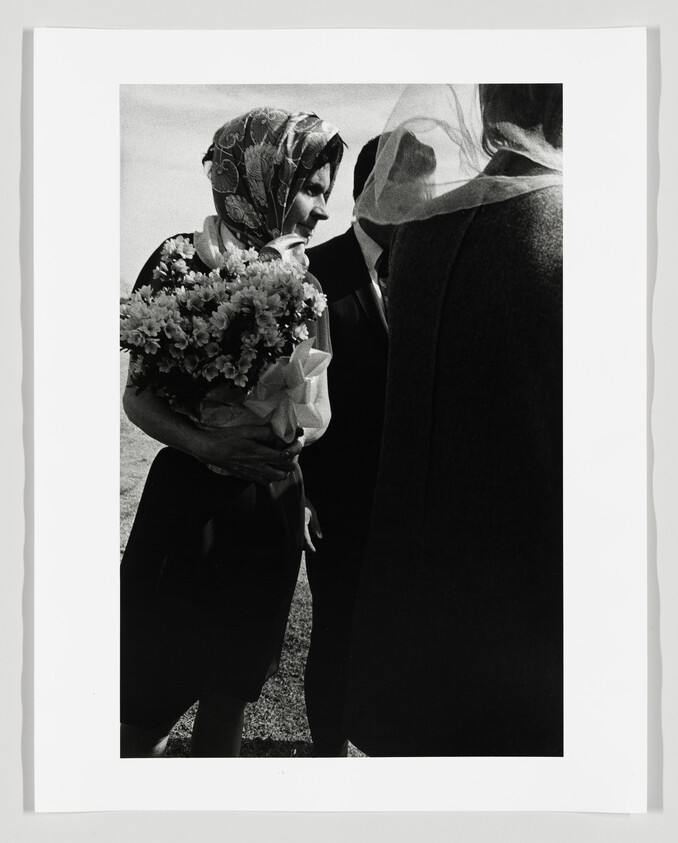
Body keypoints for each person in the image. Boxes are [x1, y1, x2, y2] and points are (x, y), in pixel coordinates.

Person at [345, 84, 564, 756]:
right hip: (533, 619)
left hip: (418, 609)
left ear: (488, 103)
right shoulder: (584, 227)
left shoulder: (419, 236)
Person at [120, 107, 344, 758]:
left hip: (268, 513)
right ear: (263, 176)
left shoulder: (308, 284)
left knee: (231, 696)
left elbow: (315, 399)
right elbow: (138, 395)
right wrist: (211, 444)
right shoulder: (178, 260)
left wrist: (297, 462)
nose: (322, 212)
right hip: (189, 508)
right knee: (143, 704)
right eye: (312, 190)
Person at [301, 133, 435, 757]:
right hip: (336, 503)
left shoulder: (432, 275)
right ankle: (327, 762)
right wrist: (301, 492)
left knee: (405, 637)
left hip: (410, 501)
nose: (428, 201)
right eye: (416, 185)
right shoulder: (312, 273)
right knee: (334, 633)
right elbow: (292, 397)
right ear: (372, 191)